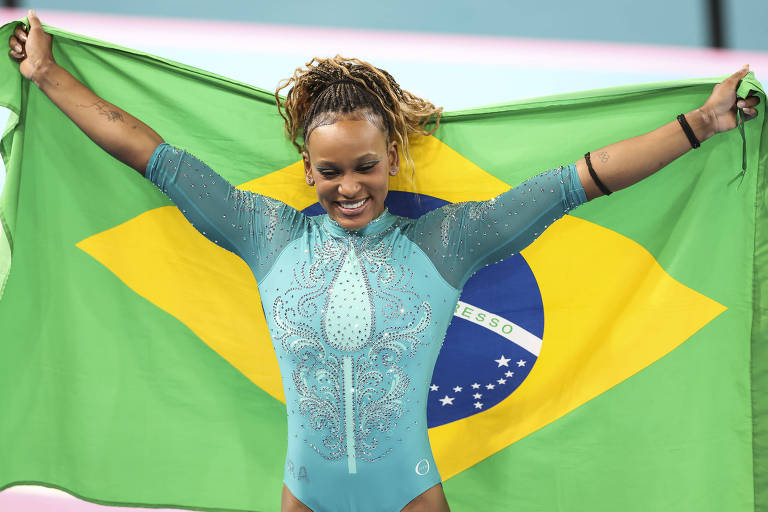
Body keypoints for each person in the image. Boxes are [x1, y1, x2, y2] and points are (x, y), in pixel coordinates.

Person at [8, 10, 760, 512]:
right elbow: (146, 151)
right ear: (306, 169)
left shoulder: (448, 242)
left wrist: (700, 122)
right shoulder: (264, 233)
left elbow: (582, 179)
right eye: (329, 171)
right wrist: (47, 75)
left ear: (392, 157)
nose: (348, 186)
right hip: (303, 496)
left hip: (412, 498)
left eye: (364, 166)